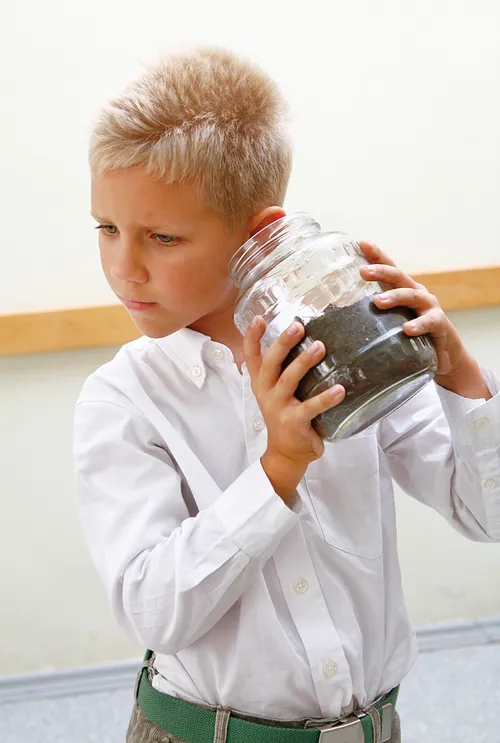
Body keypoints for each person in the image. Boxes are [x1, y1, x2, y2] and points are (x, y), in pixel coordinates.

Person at [74, 47, 500, 743]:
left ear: (261, 233)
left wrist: (460, 376)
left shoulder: (351, 344)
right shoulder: (123, 400)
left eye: (162, 236)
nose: (125, 267)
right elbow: (153, 609)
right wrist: (277, 471)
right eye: (107, 228)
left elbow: (488, 514)